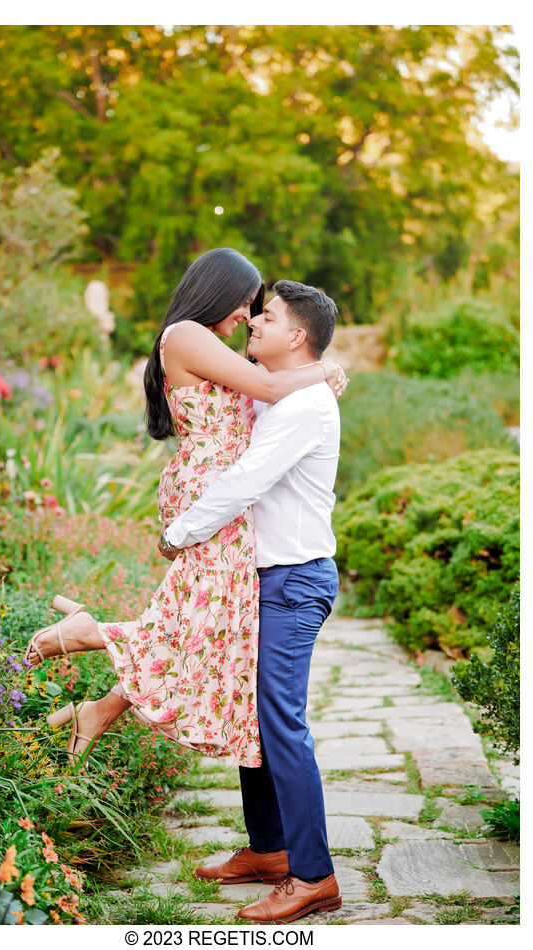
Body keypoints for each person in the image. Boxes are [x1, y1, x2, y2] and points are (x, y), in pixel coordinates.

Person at [23, 249, 347, 773]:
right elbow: (266, 388)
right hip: (209, 490)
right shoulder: (186, 334)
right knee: (204, 621)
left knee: (205, 623)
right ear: (217, 289)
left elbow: (264, 397)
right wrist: (324, 368)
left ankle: (99, 706)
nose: (247, 316)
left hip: (215, 490)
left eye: (257, 309)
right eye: (245, 304)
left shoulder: (208, 343)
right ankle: (87, 636)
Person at [159, 280, 343, 923]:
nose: (251, 324)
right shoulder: (280, 395)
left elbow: (245, 480)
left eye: (265, 317)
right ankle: (268, 850)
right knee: (253, 717)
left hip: (294, 580)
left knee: (281, 724)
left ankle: (313, 875)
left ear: (297, 335)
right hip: (262, 578)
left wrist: (180, 532)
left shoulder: (304, 406)